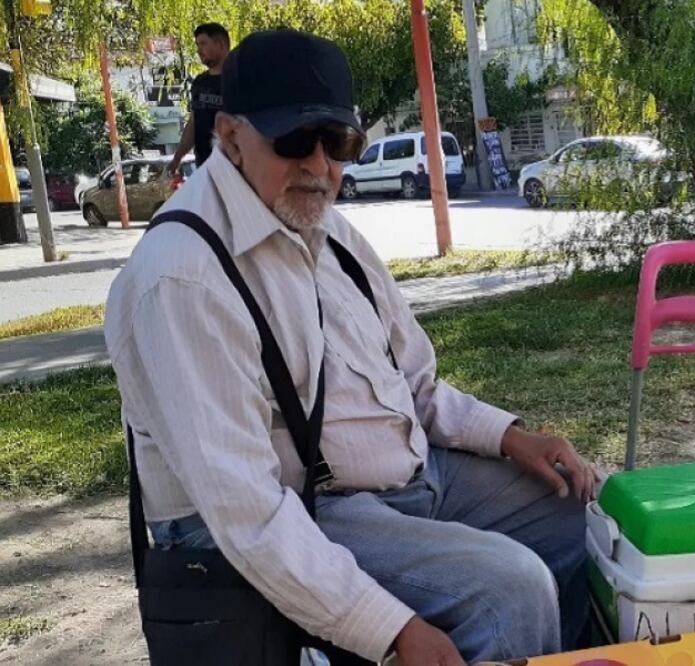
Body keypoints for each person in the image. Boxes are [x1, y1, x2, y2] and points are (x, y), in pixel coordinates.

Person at [107, 29, 594, 666]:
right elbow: (248, 514)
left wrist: (510, 437)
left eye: (337, 143)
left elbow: (415, 386)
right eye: (293, 140)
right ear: (229, 137)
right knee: (509, 591)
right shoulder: (185, 275)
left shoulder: (331, 233)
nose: (319, 165)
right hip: (299, 513)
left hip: (414, 480)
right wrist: (390, 630)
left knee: (584, 513)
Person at [167, 23, 230, 173]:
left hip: (233, 165)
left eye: (203, 44)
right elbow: (194, 122)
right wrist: (177, 157)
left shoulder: (239, 79)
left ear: (220, 44)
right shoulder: (199, 82)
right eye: (197, 45)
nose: (199, 50)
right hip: (204, 166)